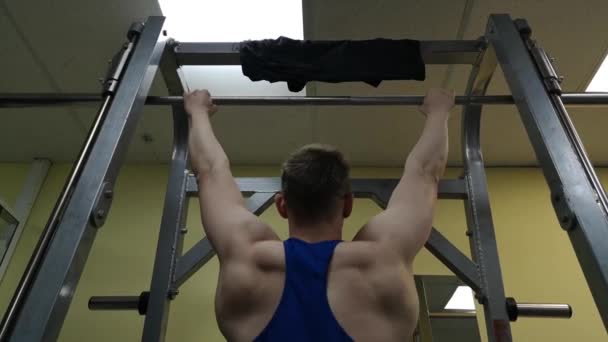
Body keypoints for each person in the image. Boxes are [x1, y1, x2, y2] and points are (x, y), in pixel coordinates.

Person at [185, 88, 454, 341]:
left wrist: (197, 112)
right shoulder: (382, 258)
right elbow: (425, 172)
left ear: (281, 205)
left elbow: (209, 171)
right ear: (347, 205)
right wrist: (439, 111)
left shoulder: (248, 257)